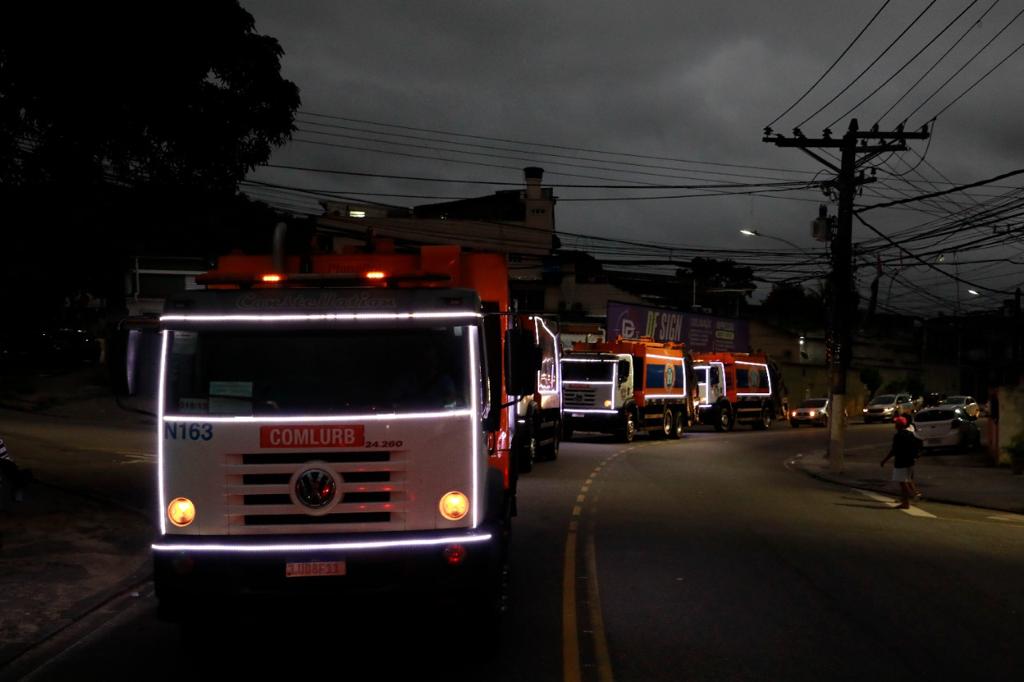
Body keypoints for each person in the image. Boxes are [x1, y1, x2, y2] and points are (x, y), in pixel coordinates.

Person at [880, 416, 922, 508]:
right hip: (910, 461)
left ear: (899, 425)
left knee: (902, 482)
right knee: (908, 479)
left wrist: (884, 460)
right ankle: (911, 496)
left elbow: (894, 450)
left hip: (901, 462)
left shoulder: (898, 436)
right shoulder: (910, 434)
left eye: (896, 423)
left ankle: (908, 500)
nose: (895, 425)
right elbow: (917, 446)